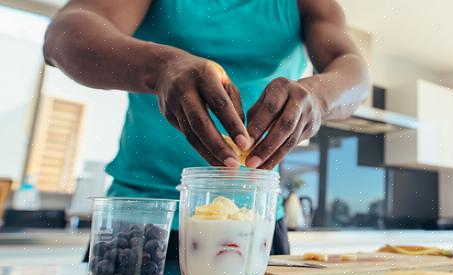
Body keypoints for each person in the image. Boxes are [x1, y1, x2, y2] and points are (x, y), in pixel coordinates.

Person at [44, 0, 370, 258]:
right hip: (145, 217)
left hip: (255, 222)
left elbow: (354, 72)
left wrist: (318, 96)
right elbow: (63, 36)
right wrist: (160, 66)